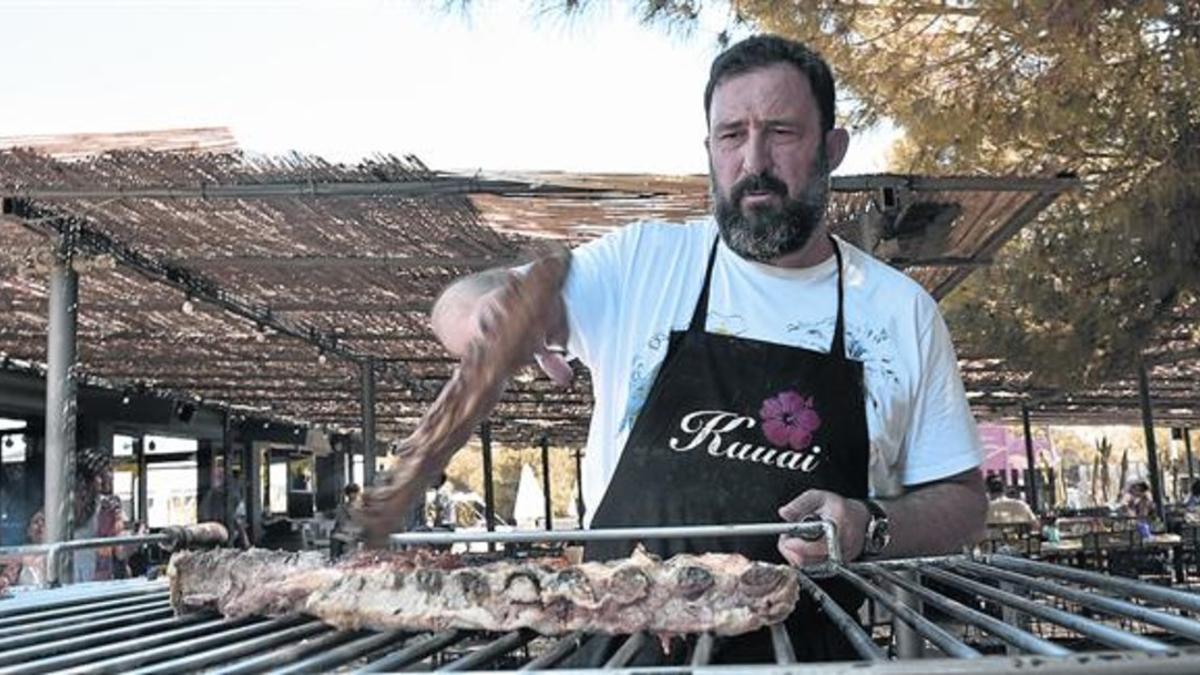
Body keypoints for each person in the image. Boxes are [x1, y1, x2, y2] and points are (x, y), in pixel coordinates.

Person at [417, 34, 987, 663]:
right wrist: (488, 317)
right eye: (731, 136)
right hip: (621, 649)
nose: (754, 160)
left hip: (808, 657)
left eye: (781, 132)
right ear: (710, 150)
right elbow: (459, 305)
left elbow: (961, 502)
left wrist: (869, 525)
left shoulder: (901, 312)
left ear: (833, 148)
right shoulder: (640, 264)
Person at [331, 483, 362, 559]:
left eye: (354, 493)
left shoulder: (362, 507)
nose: (352, 495)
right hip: (346, 532)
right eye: (350, 493)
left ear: (358, 493)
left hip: (359, 532)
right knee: (335, 538)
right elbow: (340, 522)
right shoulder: (342, 508)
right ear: (347, 495)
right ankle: (334, 561)